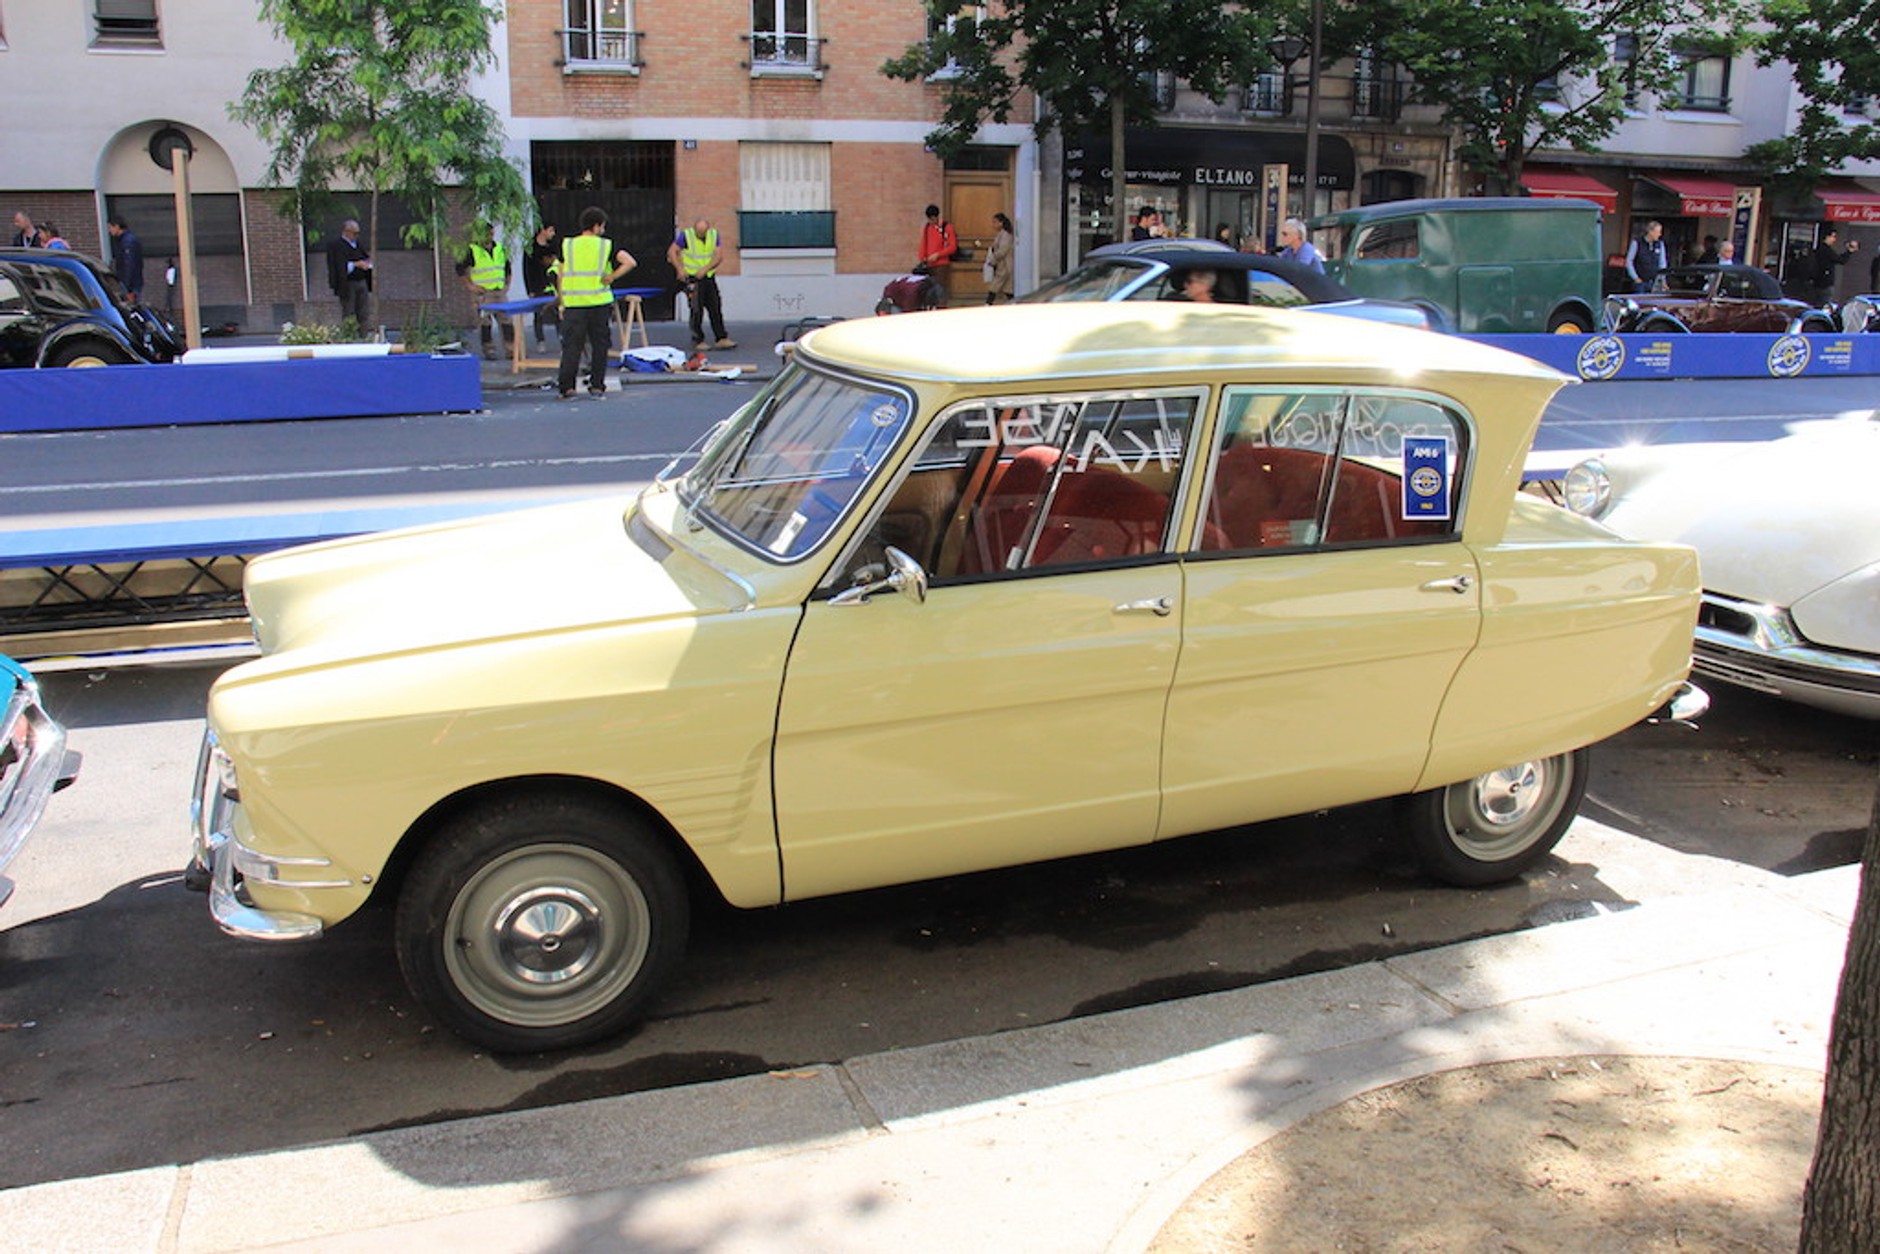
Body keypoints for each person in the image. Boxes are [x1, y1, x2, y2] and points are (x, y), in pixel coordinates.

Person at [556, 205, 636, 400]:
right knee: (600, 346)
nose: (604, 230)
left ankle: (567, 388)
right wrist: (611, 277)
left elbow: (560, 274)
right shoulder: (605, 245)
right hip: (599, 303)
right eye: (602, 226)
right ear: (597, 226)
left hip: (574, 303)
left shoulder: (567, 245)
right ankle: (597, 386)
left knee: (571, 347)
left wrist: (561, 301)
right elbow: (630, 262)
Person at [667, 217, 734, 349]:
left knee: (715, 307)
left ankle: (721, 338)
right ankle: (698, 340)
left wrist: (706, 269)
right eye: (699, 232)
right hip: (693, 277)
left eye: (703, 232)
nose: (701, 235)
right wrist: (680, 269)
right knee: (696, 309)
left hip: (708, 276)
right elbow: (672, 251)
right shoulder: (686, 236)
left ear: (708, 230)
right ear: (694, 229)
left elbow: (718, 256)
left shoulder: (714, 235)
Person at [455, 222, 514, 361]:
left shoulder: (500, 249)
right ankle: (489, 350)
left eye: (490, 232)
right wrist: (470, 286)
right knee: (485, 323)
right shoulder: (472, 250)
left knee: (507, 321)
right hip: (482, 293)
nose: (489, 236)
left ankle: (511, 350)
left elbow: (507, 269)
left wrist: (507, 286)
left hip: (499, 291)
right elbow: (460, 269)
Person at [325, 219, 372, 328]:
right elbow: (337, 266)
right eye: (354, 233)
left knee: (363, 312)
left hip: (361, 280)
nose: (356, 236)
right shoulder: (336, 245)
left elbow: (365, 257)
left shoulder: (359, 244)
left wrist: (367, 264)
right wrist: (355, 264)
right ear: (346, 231)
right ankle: (350, 337)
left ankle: (363, 336)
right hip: (347, 283)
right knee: (349, 312)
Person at [522, 222, 560, 351]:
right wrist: (530, 289)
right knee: (538, 314)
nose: (553, 234)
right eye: (551, 230)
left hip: (552, 285)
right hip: (537, 286)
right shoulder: (531, 248)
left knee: (557, 313)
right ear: (543, 230)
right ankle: (540, 341)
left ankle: (561, 338)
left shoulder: (553, 246)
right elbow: (526, 270)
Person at [918, 203, 958, 305]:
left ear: (936, 217)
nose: (931, 222)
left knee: (940, 290)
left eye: (932, 219)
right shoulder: (927, 227)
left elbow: (952, 247)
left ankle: (942, 308)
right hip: (929, 265)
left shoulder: (947, 227)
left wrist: (938, 255)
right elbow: (924, 243)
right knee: (930, 291)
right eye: (929, 219)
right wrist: (922, 258)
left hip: (942, 264)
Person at [1808, 227, 1859, 303]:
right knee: (1825, 304)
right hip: (1825, 283)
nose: (1834, 239)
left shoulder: (1820, 249)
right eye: (1833, 237)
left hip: (1817, 282)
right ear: (1827, 237)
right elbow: (1840, 260)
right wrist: (1849, 252)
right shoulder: (1826, 250)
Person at [107, 215, 144, 302]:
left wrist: (127, 285)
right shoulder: (123, 240)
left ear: (117, 226)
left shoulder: (127, 242)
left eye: (110, 227)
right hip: (129, 283)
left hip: (130, 285)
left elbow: (130, 264)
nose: (109, 231)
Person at [1625, 221, 1667, 293]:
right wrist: (1635, 278)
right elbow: (1629, 261)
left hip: (1655, 282)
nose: (1660, 234)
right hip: (1640, 282)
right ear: (1650, 231)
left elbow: (1662, 263)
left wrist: (1663, 280)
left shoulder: (1660, 244)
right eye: (1658, 232)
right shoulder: (1637, 242)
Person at [982, 212, 1015, 304]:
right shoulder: (1002, 234)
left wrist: (992, 259)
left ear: (1001, 223)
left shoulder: (1005, 235)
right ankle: (1013, 303)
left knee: (995, 286)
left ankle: (988, 303)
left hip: (1004, 265)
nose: (993, 224)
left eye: (995, 222)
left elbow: (1002, 251)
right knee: (1006, 288)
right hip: (1002, 265)